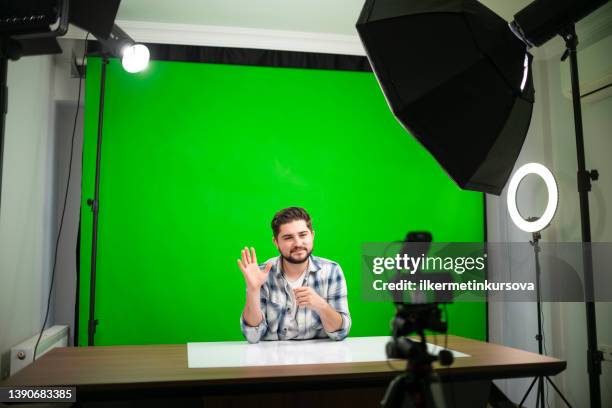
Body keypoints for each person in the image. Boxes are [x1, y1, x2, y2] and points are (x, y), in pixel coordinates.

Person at [238, 207, 351, 343]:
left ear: (312, 235)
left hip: (320, 359)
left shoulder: (332, 270)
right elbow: (252, 336)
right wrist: (253, 290)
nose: (298, 243)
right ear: (276, 242)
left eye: (303, 235)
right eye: (288, 237)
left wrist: (321, 305)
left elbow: (341, 333)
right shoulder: (261, 274)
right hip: (272, 360)